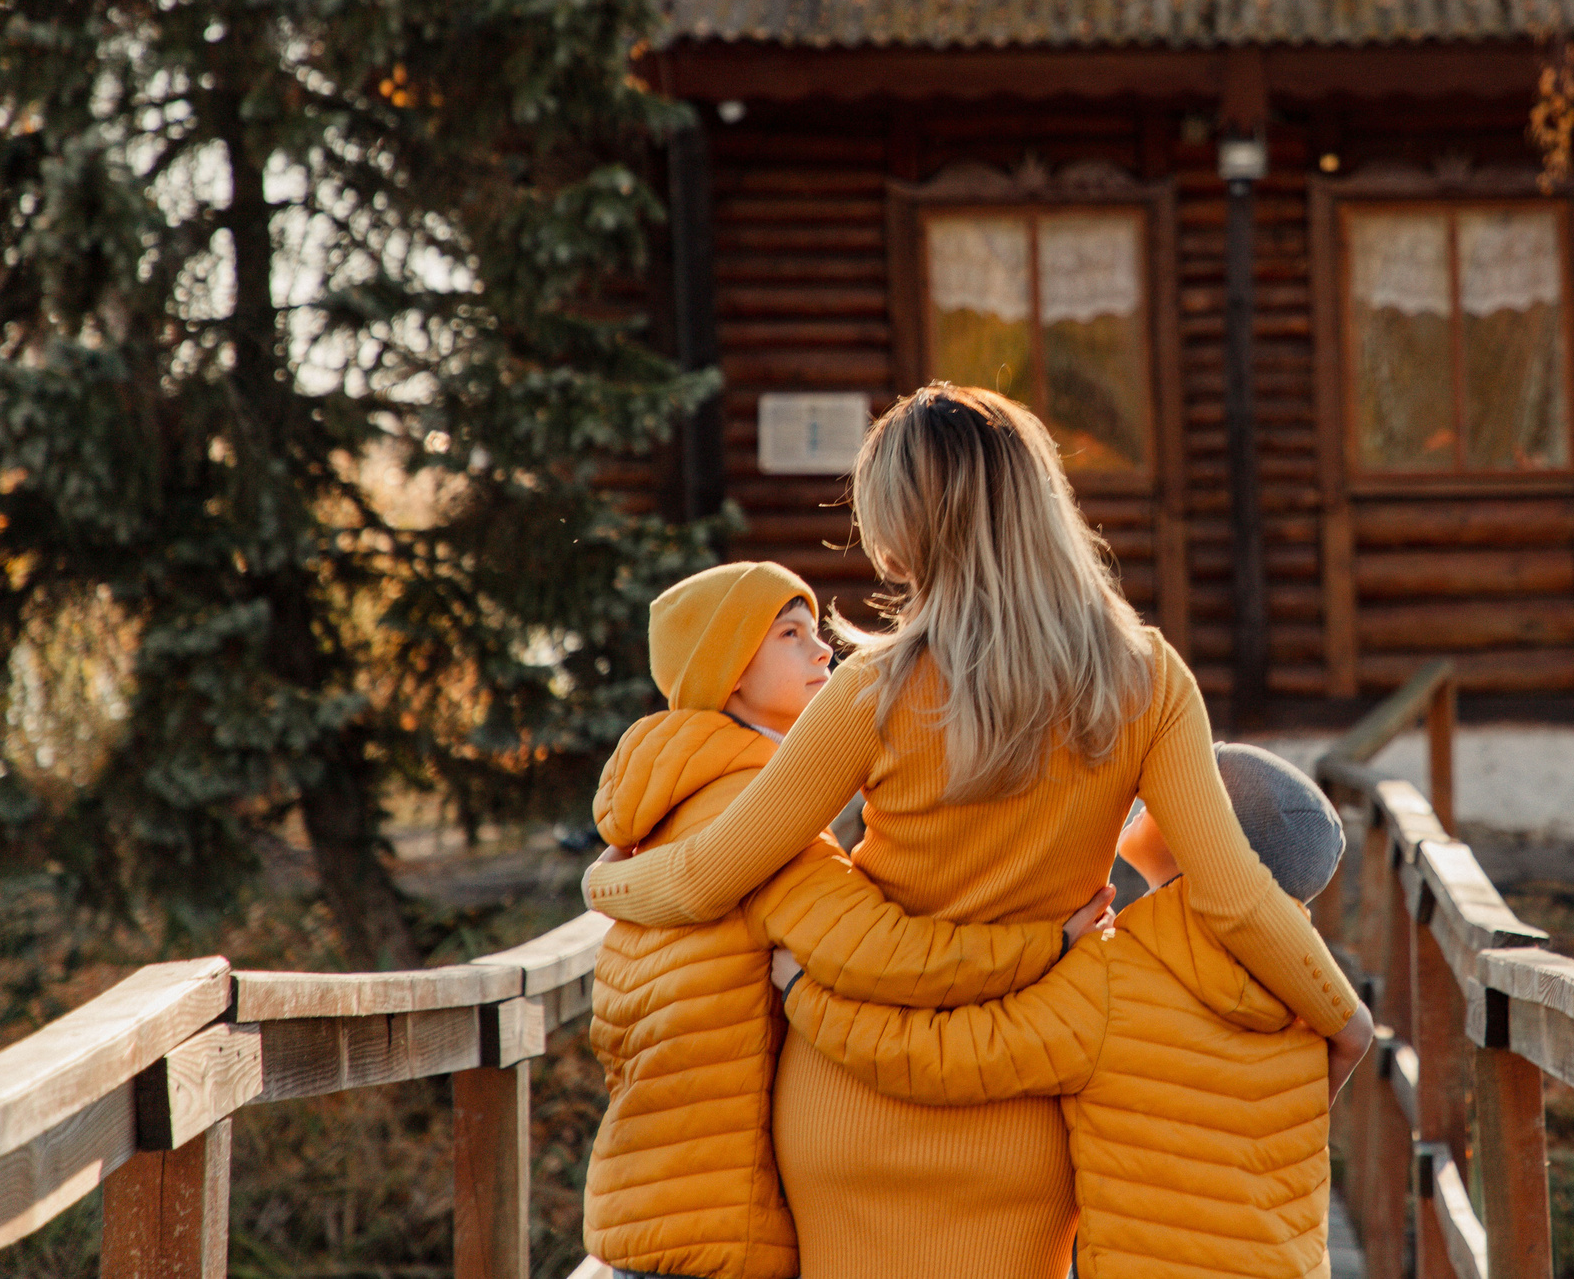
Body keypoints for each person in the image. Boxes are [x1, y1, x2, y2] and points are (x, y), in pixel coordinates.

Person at [585, 385, 1372, 1279]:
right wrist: (1341, 1016)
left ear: (908, 527)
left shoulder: (871, 689)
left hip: (846, 1103)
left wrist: (604, 882)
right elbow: (1232, 897)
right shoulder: (1147, 679)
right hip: (1022, 1111)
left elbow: (706, 879)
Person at [585, 560, 1107, 1279]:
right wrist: (1048, 943)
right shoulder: (754, 814)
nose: (822, 649)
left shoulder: (675, 800)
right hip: (716, 1227)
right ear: (730, 674)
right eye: (790, 635)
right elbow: (881, 955)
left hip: (653, 1201)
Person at [767, 744, 1349, 1279]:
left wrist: (805, 996)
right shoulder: (1307, 1005)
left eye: (1180, 787)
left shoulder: (1112, 979)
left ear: (1202, 838)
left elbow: (945, 1057)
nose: (1151, 790)